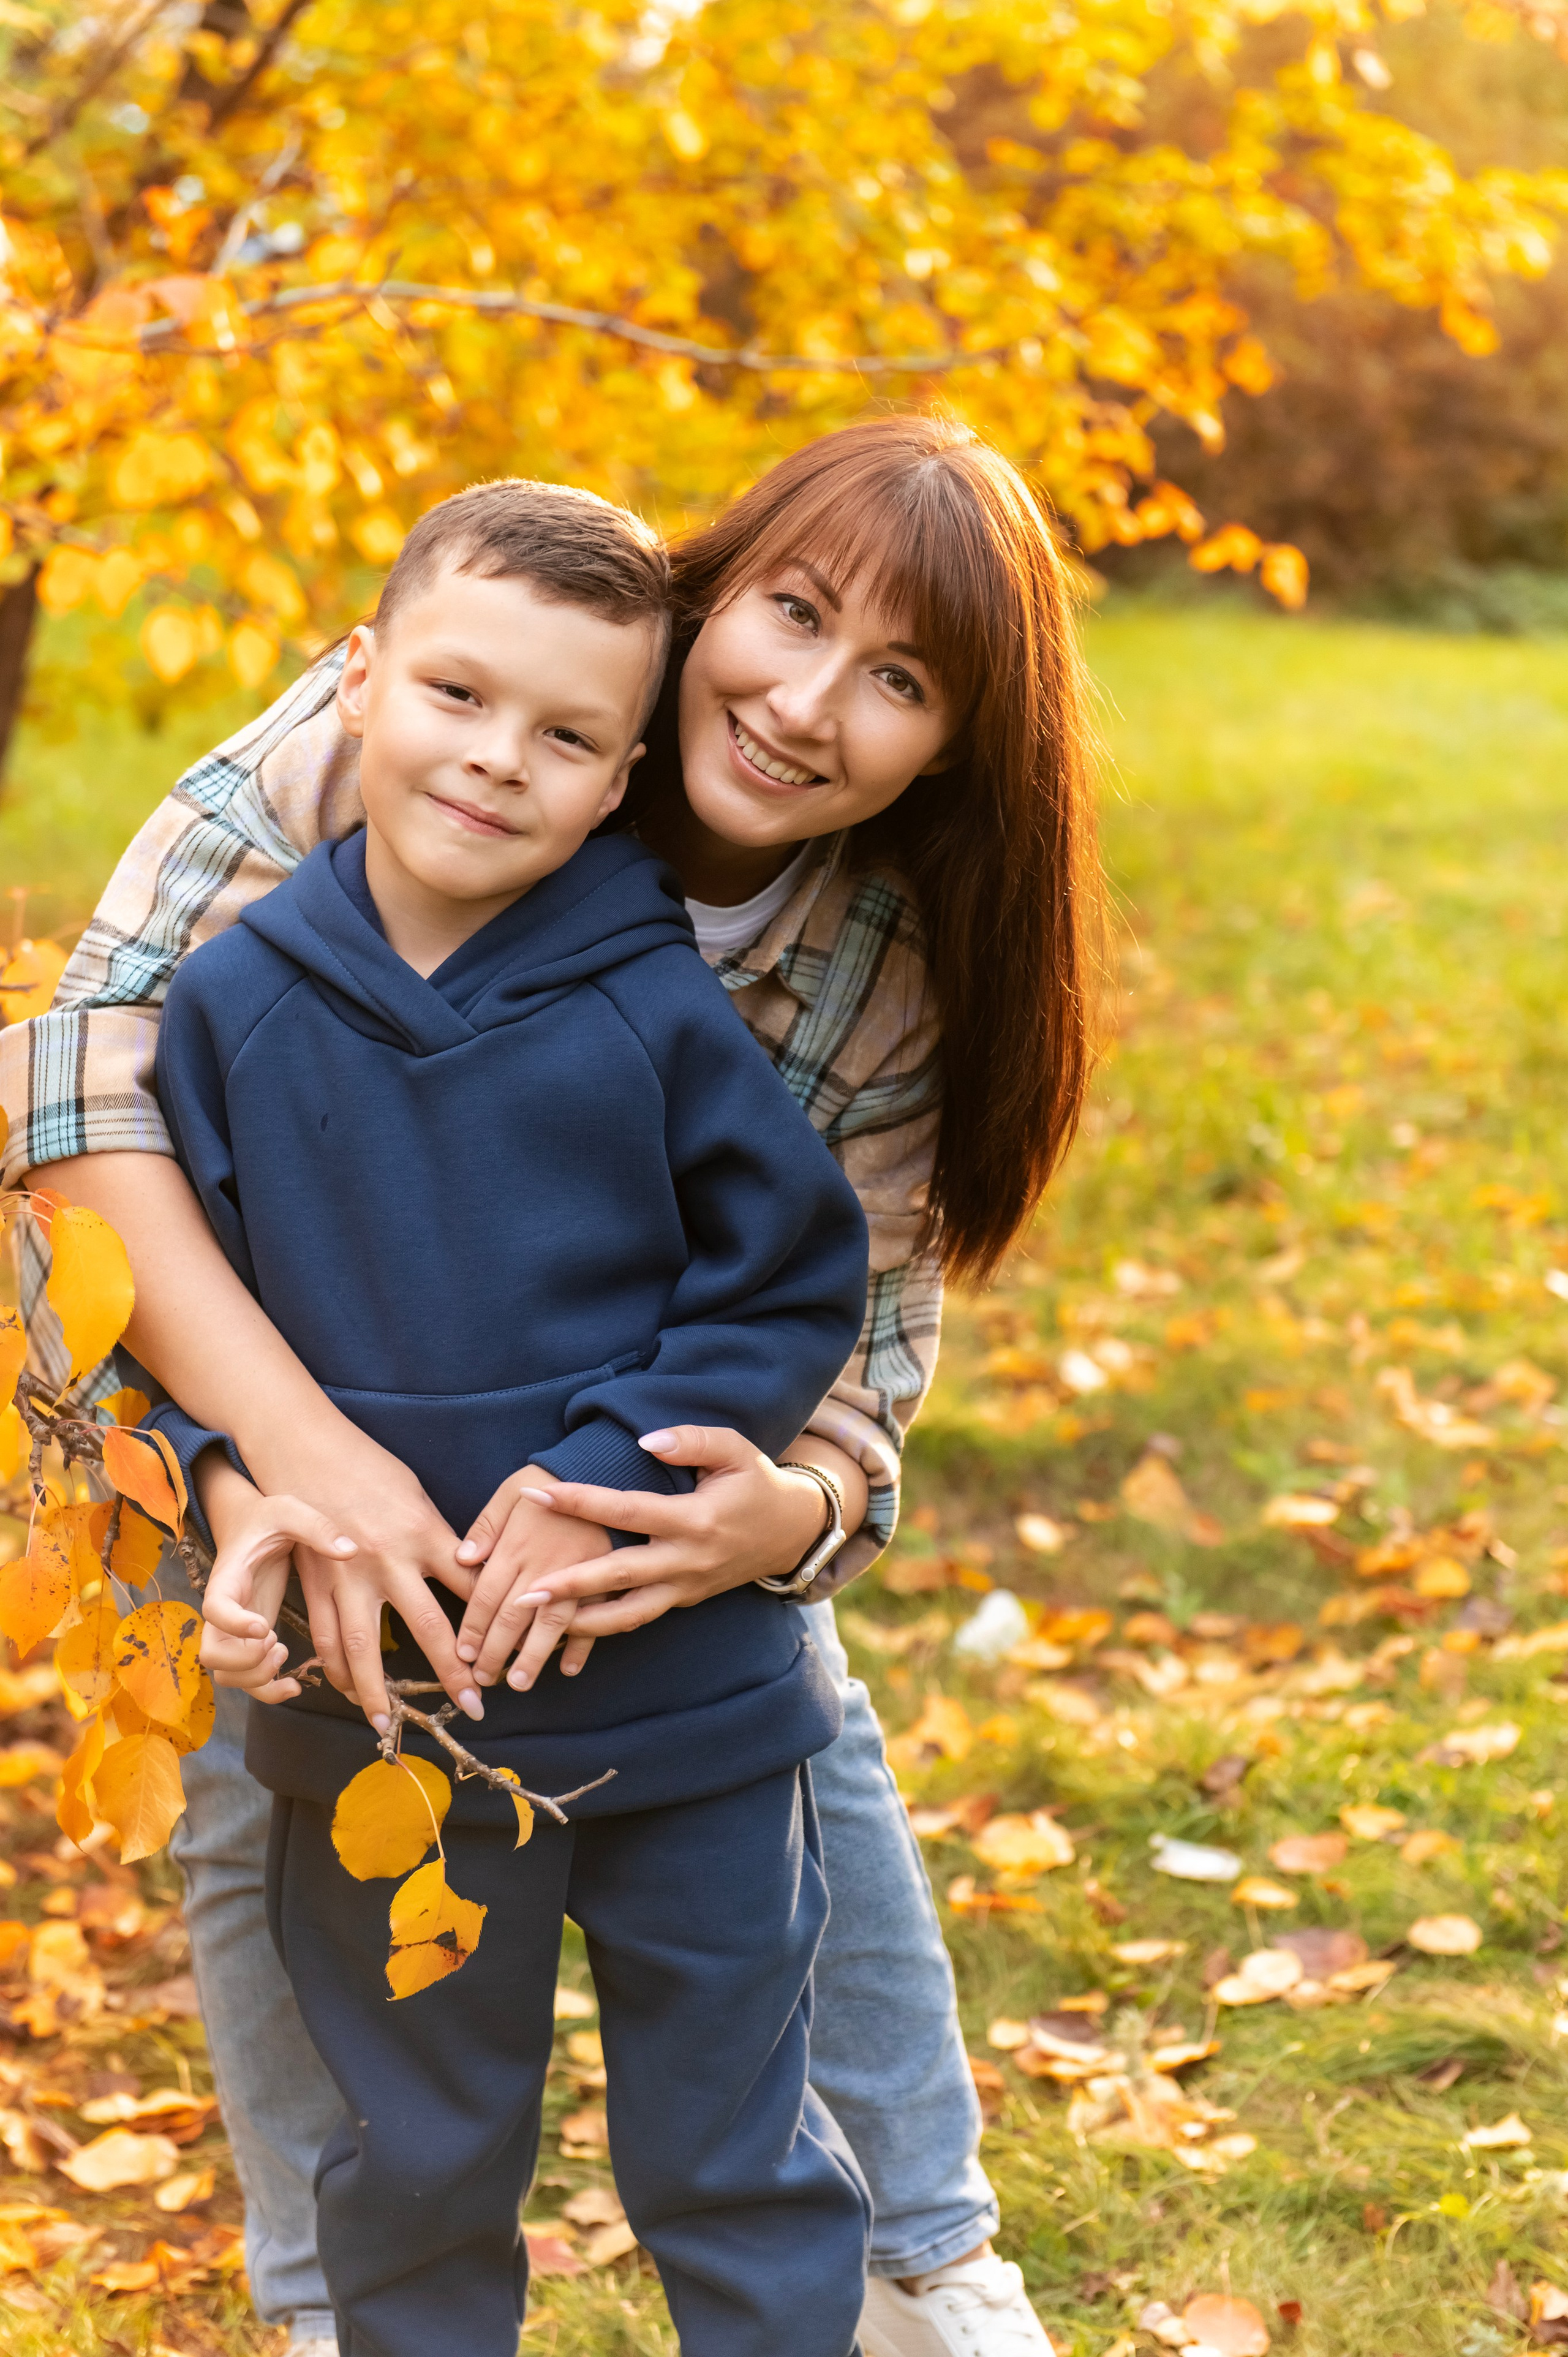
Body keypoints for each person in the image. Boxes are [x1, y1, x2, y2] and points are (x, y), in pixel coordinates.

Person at [0, 415, 1101, 2357]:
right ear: (704, 595)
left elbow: (845, 1305)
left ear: (954, 747)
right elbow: (85, 1111)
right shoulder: (403, 740)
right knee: (287, 1814)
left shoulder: (875, 966)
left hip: (629, 1520)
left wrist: (799, 1509)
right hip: (291, 1432)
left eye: (902, 682)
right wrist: (260, 1467)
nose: (805, 704)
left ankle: (926, 2265)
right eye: (792, 615)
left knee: (787, 1731)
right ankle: (339, 2307)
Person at [140, 475, 875, 2357]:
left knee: (732, 2149)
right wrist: (234, 1508)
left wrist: (619, 1474)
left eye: (566, 737)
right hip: (385, 1718)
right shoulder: (225, 1009)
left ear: (624, 767)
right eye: (458, 697)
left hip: (679, 1702)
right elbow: (164, 1319)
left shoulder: (658, 1017)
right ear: (362, 681)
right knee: (416, 2155)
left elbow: (788, 1284)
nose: (495, 763)